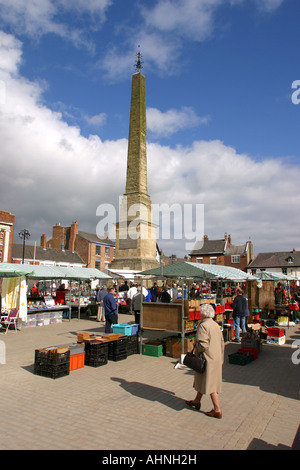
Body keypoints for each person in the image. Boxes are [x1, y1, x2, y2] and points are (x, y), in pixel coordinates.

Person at [185, 303, 224, 418]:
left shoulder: (203, 326)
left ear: (203, 314)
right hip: (216, 357)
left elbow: (203, 344)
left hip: (208, 358)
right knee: (205, 380)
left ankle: (217, 409)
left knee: (211, 384)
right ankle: (197, 401)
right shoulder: (215, 325)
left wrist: (197, 348)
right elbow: (222, 342)